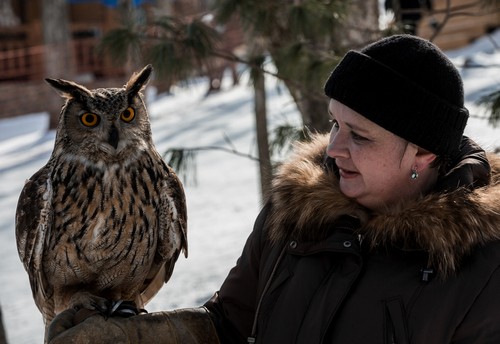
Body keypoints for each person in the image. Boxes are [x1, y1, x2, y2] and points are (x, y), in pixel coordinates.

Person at [47, 34, 500, 343]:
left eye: (359, 136)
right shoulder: (296, 211)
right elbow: (229, 327)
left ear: (423, 153)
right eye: (335, 124)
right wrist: (137, 338)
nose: (335, 149)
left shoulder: (483, 265)